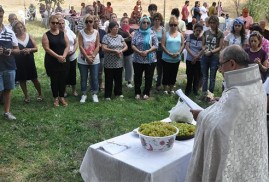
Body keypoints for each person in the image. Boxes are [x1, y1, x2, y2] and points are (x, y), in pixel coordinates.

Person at [186, 45, 268, 182]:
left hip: (234, 158)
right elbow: (233, 115)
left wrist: (200, 116)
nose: (219, 70)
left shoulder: (238, 93)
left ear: (231, 63)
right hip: (250, 153)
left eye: (221, 64)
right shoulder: (256, 84)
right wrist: (220, 103)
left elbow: (220, 128)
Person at [42, 15, 70, 107]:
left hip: (63, 60)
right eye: (53, 23)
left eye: (57, 23)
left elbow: (67, 46)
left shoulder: (63, 33)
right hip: (52, 61)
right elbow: (47, 48)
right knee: (54, 80)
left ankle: (62, 97)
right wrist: (58, 56)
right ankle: (56, 98)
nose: (55, 24)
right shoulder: (46, 35)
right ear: (49, 23)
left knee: (63, 79)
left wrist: (64, 56)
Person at [12, 21, 42, 103]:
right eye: (17, 28)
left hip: (29, 61)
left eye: (21, 27)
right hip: (19, 61)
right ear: (14, 29)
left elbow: (36, 48)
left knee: (34, 79)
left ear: (23, 27)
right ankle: (26, 96)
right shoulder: (14, 38)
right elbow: (14, 50)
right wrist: (21, 51)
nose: (20, 29)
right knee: (22, 80)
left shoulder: (29, 36)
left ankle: (40, 94)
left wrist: (30, 50)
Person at [0, 6, 20, 120]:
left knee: (8, 89)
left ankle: (7, 112)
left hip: (9, 65)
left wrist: (9, 51)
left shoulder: (9, 32)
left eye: (1, 16)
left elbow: (17, 50)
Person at [131, 16, 158, 100]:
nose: (146, 24)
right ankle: (137, 92)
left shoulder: (152, 33)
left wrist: (147, 51)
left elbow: (156, 45)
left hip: (150, 59)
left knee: (149, 77)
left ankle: (146, 92)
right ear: (140, 23)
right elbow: (132, 45)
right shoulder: (136, 33)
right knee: (137, 77)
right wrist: (139, 52)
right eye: (144, 22)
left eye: (147, 22)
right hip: (137, 59)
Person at [102, 21, 128, 100]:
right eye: (115, 27)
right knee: (109, 79)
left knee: (118, 78)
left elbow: (125, 46)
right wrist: (114, 51)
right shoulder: (106, 37)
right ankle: (108, 95)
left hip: (119, 62)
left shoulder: (120, 37)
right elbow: (104, 48)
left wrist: (121, 51)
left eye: (117, 27)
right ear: (110, 28)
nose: (116, 28)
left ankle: (118, 93)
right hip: (109, 63)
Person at [78, 14, 100, 103]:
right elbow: (80, 46)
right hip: (83, 59)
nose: (88, 23)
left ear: (93, 22)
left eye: (90, 21)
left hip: (94, 59)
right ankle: (83, 94)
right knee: (84, 77)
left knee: (94, 77)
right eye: (86, 21)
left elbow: (98, 46)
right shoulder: (81, 32)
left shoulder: (96, 32)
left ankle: (94, 94)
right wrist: (87, 57)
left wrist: (93, 56)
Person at [201, 15, 224, 99]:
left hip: (214, 57)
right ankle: (203, 94)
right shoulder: (206, 32)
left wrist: (211, 52)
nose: (212, 24)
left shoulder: (220, 33)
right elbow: (203, 44)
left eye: (214, 23)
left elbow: (220, 47)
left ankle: (210, 95)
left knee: (212, 77)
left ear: (217, 23)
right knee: (204, 76)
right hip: (205, 56)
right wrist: (205, 50)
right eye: (210, 22)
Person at [161, 16, 184, 94]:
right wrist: (169, 53)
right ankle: (165, 89)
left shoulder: (180, 35)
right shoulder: (165, 34)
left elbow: (183, 44)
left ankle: (171, 89)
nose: (173, 26)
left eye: (175, 24)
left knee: (174, 74)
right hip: (166, 58)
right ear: (169, 25)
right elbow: (163, 45)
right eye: (171, 25)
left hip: (176, 58)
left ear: (177, 25)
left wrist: (178, 53)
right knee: (166, 74)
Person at [58, 18, 78, 97]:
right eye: (59, 23)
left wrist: (73, 50)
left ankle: (74, 90)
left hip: (72, 56)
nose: (61, 25)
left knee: (73, 73)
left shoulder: (69, 31)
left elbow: (76, 42)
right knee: (64, 74)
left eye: (63, 23)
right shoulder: (56, 33)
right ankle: (64, 90)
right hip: (62, 57)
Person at [185, 23, 203, 96]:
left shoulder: (203, 38)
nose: (198, 32)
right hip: (190, 59)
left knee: (197, 76)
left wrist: (197, 57)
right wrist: (193, 56)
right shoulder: (190, 36)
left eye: (200, 31)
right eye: (197, 30)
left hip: (199, 60)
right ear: (194, 30)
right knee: (190, 76)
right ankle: (187, 91)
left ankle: (195, 90)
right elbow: (187, 47)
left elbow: (203, 49)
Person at [118, 17, 135, 88]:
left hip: (129, 52)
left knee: (129, 67)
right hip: (120, 52)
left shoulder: (131, 30)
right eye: (123, 22)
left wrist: (128, 34)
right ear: (120, 23)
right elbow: (117, 39)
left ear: (128, 23)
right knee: (119, 67)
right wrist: (126, 39)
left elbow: (132, 38)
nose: (125, 23)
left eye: (126, 22)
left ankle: (129, 82)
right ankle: (119, 81)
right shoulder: (118, 30)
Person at [151, 13, 165, 91]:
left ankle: (158, 84)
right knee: (151, 68)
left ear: (160, 21)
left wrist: (158, 43)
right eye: (155, 19)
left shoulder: (163, 29)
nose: (157, 21)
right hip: (152, 51)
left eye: (158, 20)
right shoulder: (150, 29)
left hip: (160, 51)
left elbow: (164, 40)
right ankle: (149, 83)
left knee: (160, 69)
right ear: (153, 21)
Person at [93, 16, 106, 90]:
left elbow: (105, 42)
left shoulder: (102, 32)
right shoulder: (90, 31)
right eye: (95, 21)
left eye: (98, 21)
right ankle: (93, 84)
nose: (96, 22)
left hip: (101, 54)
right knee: (92, 70)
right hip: (92, 54)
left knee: (100, 71)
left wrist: (102, 45)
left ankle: (101, 83)